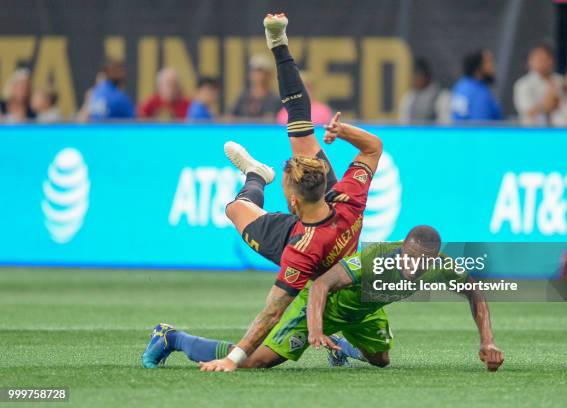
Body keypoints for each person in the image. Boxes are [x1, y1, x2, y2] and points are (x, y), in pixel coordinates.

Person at [142, 13, 382, 372]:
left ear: (293, 199)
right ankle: (171, 337)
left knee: (380, 359)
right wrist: (342, 130)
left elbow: (271, 309)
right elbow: (372, 148)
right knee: (239, 205)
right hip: (306, 246)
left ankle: (256, 176)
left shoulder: (326, 216)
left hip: (329, 268)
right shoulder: (344, 200)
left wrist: (279, 41)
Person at [140, 226, 504, 372]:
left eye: (419, 261)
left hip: (364, 312)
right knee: (255, 363)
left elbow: (476, 292)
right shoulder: (375, 258)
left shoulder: (443, 266)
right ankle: (172, 337)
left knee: (381, 361)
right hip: (321, 308)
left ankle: (340, 346)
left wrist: (487, 340)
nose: (411, 265)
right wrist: (315, 328)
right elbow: (319, 286)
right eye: (407, 256)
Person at [513, 44, 563, 125]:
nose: (543, 62)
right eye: (539, 59)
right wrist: (550, 95)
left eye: (546, 58)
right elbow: (528, 112)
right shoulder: (523, 84)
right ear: (530, 61)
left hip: (559, 131)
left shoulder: (560, 80)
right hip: (532, 131)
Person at [451, 49, 502, 122]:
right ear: (478, 66)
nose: (492, 66)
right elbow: (481, 126)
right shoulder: (479, 93)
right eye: (489, 62)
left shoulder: (460, 86)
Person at [231, 53, 281, 120]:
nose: (257, 75)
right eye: (254, 71)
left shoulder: (276, 100)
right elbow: (229, 117)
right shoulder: (242, 98)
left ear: (269, 75)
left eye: (261, 71)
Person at [398, 58, 448, 124]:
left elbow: (445, 124)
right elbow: (404, 123)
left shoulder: (442, 96)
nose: (416, 80)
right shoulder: (409, 97)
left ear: (427, 77)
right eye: (414, 76)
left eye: (419, 76)